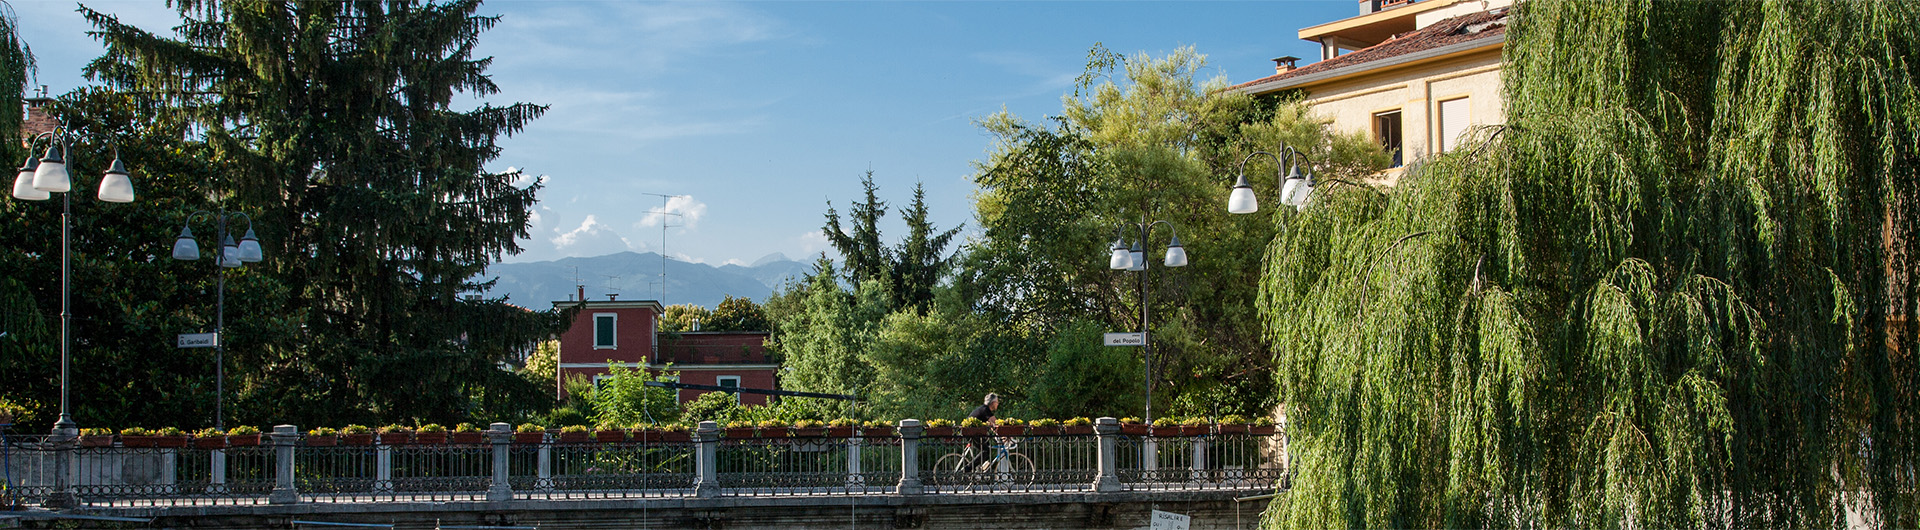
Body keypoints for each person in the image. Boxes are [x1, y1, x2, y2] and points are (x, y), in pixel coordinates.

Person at [962, 393, 1000, 473]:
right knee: (986, 451)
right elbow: (996, 424)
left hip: (973, 433)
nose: (998, 403)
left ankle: (979, 470)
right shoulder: (985, 410)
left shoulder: (984, 409)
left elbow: (992, 425)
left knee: (987, 450)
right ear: (992, 403)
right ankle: (968, 469)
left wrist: (997, 434)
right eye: (997, 402)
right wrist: (1003, 434)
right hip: (972, 433)